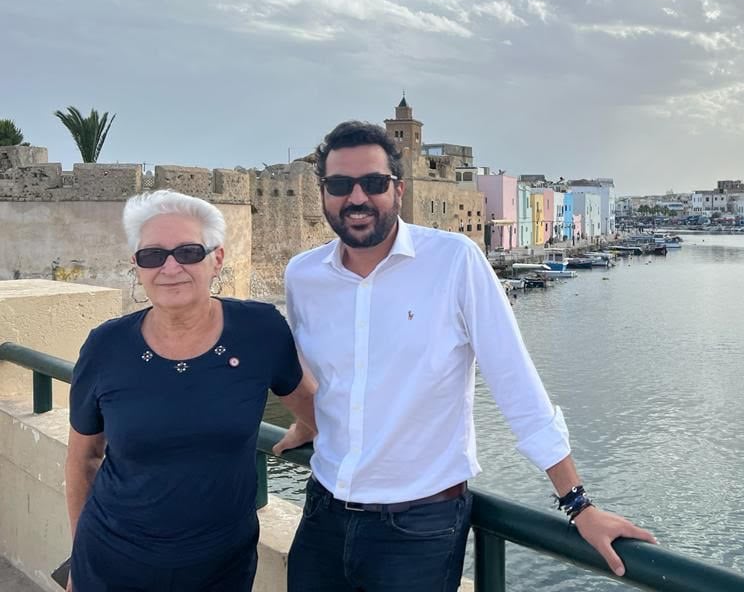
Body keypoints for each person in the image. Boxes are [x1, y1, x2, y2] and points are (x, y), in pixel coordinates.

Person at [278, 121, 655, 592]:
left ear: (397, 189)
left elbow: (515, 383)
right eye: (340, 185)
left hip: (418, 526)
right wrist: (311, 425)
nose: (357, 198)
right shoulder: (304, 276)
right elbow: (322, 372)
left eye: (373, 183)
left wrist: (578, 503)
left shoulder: (454, 260)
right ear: (323, 193)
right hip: (324, 511)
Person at [65, 190, 317, 592]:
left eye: (188, 252)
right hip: (112, 562)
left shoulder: (259, 330)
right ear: (136, 266)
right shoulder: (105, 346)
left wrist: (306, 426)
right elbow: (83, 460)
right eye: (152, 256)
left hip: (221, 567)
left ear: (216, 259)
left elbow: (313, 404)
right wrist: (79, 561)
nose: (170, 268)